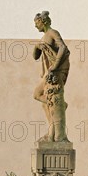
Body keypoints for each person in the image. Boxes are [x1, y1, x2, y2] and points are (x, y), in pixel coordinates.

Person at [33, 11, 70, 142]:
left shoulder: (53, 33)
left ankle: (55, 133)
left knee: (39, 95)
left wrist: (56, 66)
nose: (36, 26)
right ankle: (51, 130)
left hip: (55, 71)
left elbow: (63, 48)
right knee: (41, 99)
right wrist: (36, 47)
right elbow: (35, 56)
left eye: (37, 23)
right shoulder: (43, 38)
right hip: (48, 72)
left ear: (43, 22)